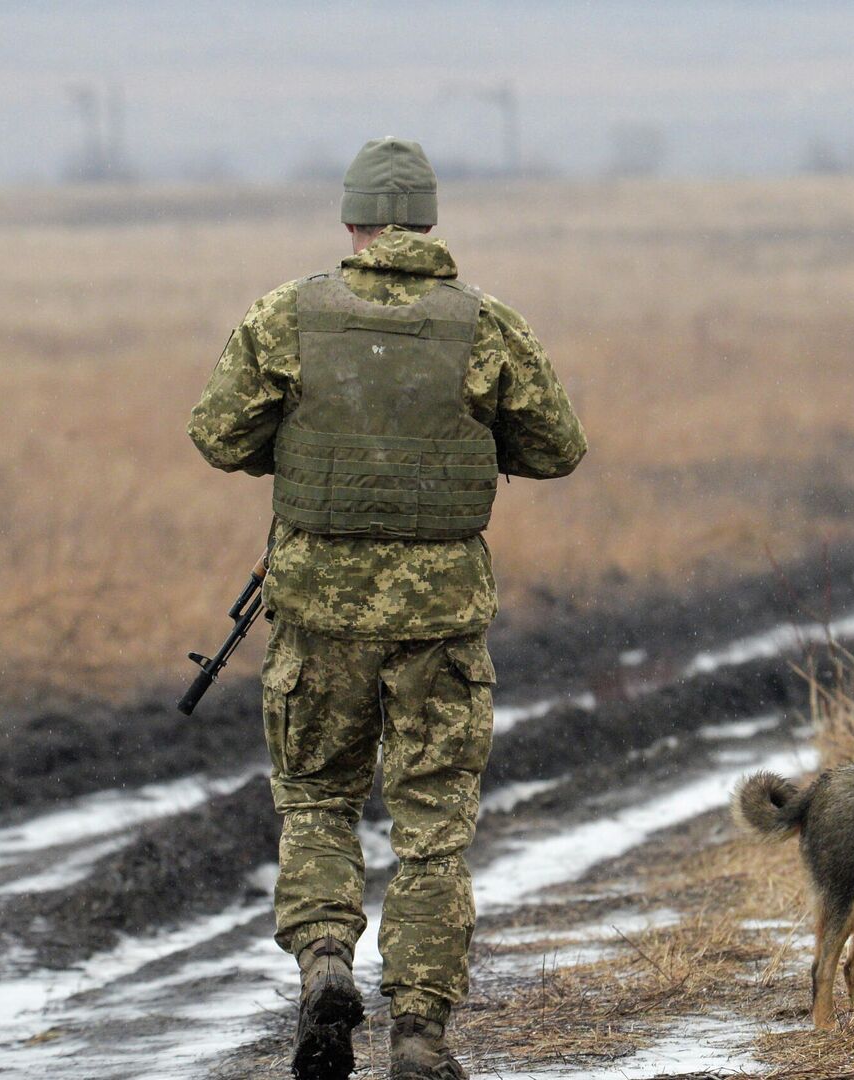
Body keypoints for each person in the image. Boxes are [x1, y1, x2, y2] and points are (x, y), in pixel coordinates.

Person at [187, 136, 586, 1080]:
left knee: (319, 799)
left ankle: (325, 959)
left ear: (352, 221)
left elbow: (216, 434)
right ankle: (420, 1034)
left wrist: (299, 452)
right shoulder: (487, 325)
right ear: (430, 221)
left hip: (317, 616)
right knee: (434, 829)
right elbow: (557, 448)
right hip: (440, 623)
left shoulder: (286, 315)